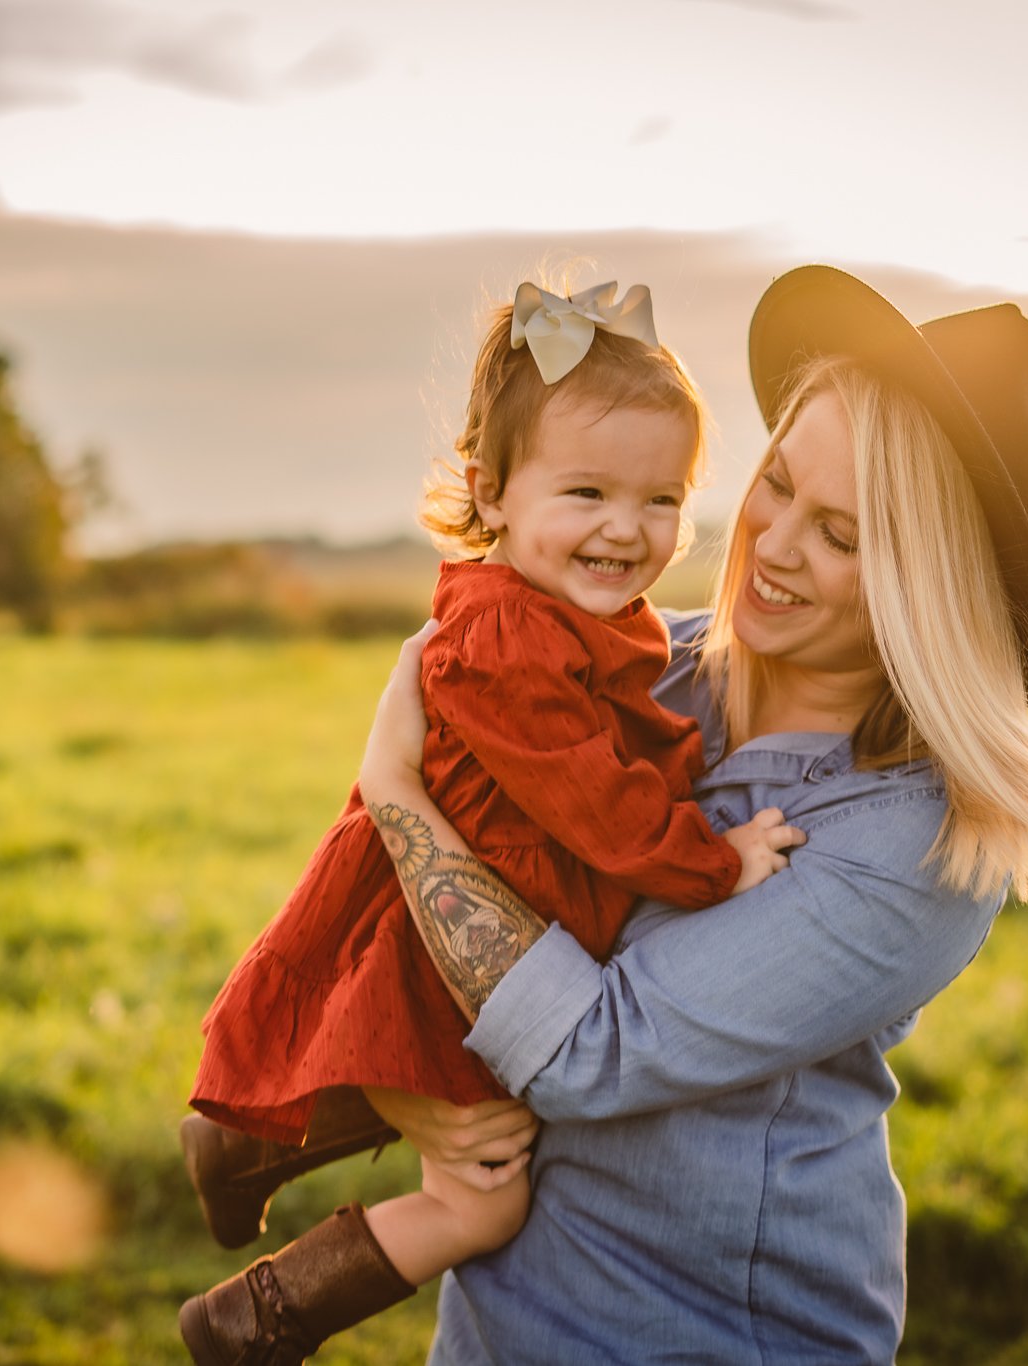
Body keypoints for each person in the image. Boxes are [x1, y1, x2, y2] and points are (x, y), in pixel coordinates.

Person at [353, 265, 1028, 1363]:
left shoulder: (911, 842)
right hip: (499, 1322)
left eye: (840, 534)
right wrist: (410, 1098)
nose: (772, 547)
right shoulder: (641, 663)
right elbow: (412, 905)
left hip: (703, 1334)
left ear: (929, 590)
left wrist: (393, 794)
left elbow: (588, 1050)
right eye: (775, 484)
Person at [177, 280, 804, 1365]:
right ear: (491, 491)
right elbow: (591, 800)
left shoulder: (554, 610)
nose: (627, 528)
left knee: (470, 1162)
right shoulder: (507, 632)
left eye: (662, 499)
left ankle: (238, 1155)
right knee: (479, 1201)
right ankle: (251, 1315)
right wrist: (715, 859)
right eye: (587, 492)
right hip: (463, 929)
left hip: (493, 913)